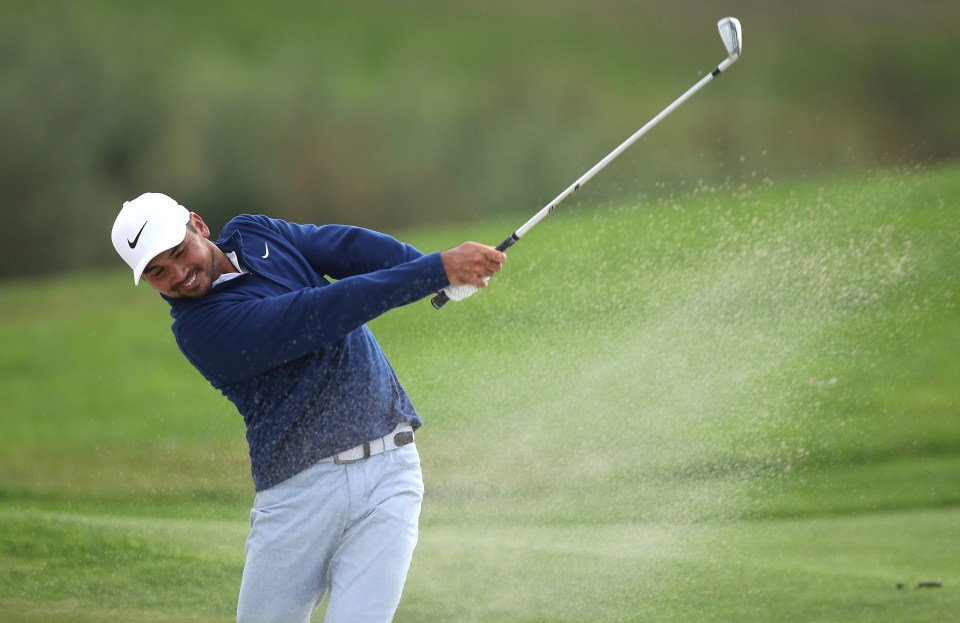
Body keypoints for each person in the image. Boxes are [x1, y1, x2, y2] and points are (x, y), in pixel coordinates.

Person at [110, 192, 505, 623]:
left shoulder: (253, 231)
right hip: (299, 497)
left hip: (391, 469)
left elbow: (343, 247)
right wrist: (434, 269)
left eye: (179, 252)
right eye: (157, 272)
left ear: (199, 226)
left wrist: (435, 270)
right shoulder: (201, 330)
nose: (180, 274)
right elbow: (320, 313)